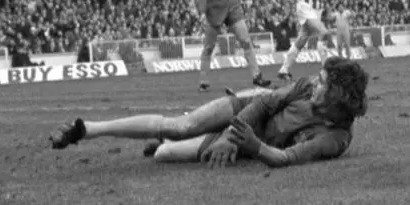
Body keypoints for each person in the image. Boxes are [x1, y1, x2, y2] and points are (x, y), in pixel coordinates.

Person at [49, 56, 369, 168]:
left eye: (323, 81)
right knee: (180, 125)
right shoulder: (303, 85)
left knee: (163, 156)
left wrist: (249, 145)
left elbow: (285, 159)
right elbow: (263, 102)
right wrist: (231, 134)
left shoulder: (335, 138)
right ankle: (88, 128)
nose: (315, 81)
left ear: (336, 95)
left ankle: (160, 143)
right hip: (242, 111)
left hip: (247, 142)